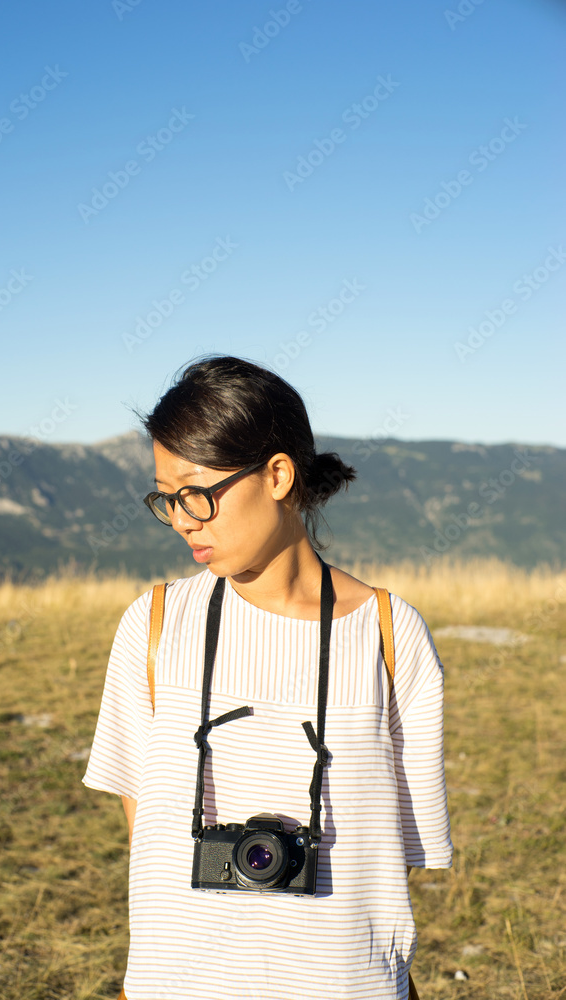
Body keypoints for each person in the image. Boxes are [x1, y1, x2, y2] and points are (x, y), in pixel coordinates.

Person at [82, 355, 452, 999]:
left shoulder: (390, 638)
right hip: (179, 981)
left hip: (342, 982)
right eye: (165, 498)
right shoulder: (155, 623)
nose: (181, 518)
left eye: (196, 492)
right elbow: (148, 824)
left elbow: (399, 855)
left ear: (277, 474)